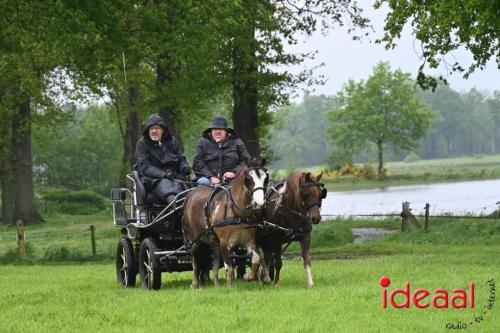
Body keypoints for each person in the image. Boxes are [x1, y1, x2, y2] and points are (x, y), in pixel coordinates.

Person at [135, 114, 192, 203]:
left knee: (193, 190)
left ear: (163, 130)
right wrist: (164, 174)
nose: (154, 131)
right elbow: (145, 167)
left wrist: (184, 167)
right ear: (148, 130)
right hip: (154, 179)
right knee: (168, 190)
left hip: (175, 177)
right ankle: (175, 203)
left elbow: (181, 159)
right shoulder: (142, 143)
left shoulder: (172, 141)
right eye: (151, 128)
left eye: (157, 128)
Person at [193, 116, 251, 185]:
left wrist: (234, 172)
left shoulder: (237, 142)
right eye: (215, 129)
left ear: (226, 131)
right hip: (208, 180)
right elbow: (197, 163)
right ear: (211, 131)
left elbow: (246, 161)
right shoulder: (203, 142)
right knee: (203, 182)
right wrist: (211, 177)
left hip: (233, 180)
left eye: (221, 129)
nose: (217, 131)